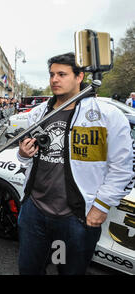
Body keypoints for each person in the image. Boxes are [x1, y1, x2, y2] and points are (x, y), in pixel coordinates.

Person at [17, 52, 133, 275]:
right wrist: (23, 153)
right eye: (52, 74)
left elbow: (122, 167)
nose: (54, 80)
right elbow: (24, 158)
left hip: (77, 215)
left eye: (62, 74)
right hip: (34, 210)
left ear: (79, 77)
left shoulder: (107, 114)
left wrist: (101, 206)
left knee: (70, 272)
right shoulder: (39, 113)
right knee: (29, 269)